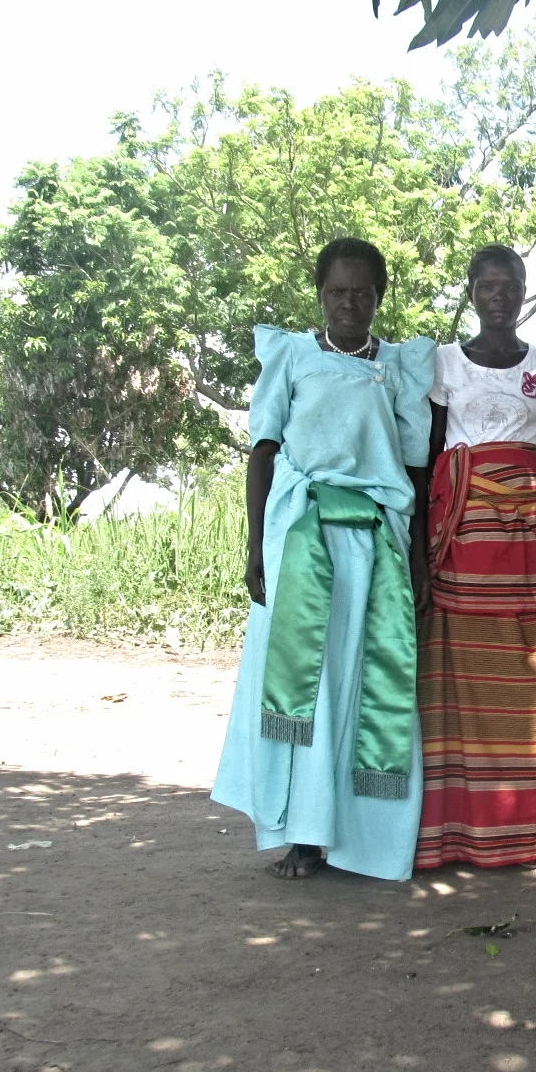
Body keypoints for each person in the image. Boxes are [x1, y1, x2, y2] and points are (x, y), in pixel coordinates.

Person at [213, 238, 433, 881]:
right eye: (337, 291)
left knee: (358, 682)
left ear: (379, 297)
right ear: (320, 293)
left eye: (362, 293)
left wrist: (418, 560)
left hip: (374, 544)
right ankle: (302, 834)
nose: (348, 303)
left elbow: (415, 469)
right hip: (300, 536)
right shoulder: (291, 355)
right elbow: (263, 452)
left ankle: (362, 838)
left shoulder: (400, 366)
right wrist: (256, 546)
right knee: (304, 685)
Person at [414, 245, 536, 869]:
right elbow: (429, 454)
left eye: (511, 285)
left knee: (525, 677)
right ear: (472, 291)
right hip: (459, 541)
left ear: (525, 291)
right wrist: (419, 551)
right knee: (459, 678)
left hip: (528, 541)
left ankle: (524, 828)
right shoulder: (443, 363)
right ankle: (455, 832)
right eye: (488, 285)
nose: (500, 296)